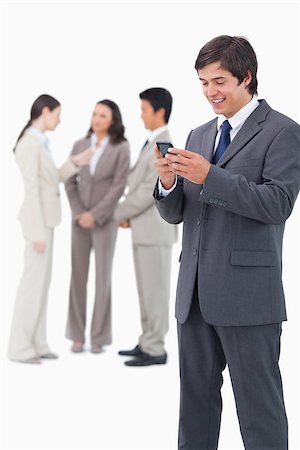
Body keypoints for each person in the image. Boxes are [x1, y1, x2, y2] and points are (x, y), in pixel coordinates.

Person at [154, 35, 300, 449]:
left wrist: (210, 177)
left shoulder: (283, 132)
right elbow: (179, 212)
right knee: (195, 409)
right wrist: (168, 184)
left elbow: (277, 204)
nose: (210, 92)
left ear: (247, 77)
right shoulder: (200, 134)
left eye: (219, 81)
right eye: (203, 83)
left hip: (248, 298)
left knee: (259, 412)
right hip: (195, 294)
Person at [8, 94, 91, 364]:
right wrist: (36, 233)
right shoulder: (29, 144)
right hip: (38, 223)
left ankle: (38, 343)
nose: (59, 119)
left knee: (42, 285)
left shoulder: (40, 142)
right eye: (57, 113)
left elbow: (51, 179)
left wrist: (76, 162)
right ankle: (20, 348)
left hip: (46, 220)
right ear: (45, 111)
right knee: (32, 285)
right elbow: (32, 191)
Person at [115, 87, 177, 366]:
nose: (140, 115)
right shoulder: (151, 141)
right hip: (144, 230)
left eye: (144, 110)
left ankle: (156, 349)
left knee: (155, 291)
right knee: (145, 290)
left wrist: (117, 213)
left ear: (159, 111)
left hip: (155, 231)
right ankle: (147, 340)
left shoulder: (164, 144)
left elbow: (144, 192)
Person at [65, 99, 130, 354]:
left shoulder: (121, 147)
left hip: (105, 221)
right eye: (94, 114)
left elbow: (119, 185)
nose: (97, 119)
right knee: (77, 277)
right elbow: (69, 182)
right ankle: (76, 335)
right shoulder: (80, 145)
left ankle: (99, 337)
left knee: (103, 278)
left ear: (112, 120)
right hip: (79, 220)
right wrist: (80, 212)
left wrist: (96, 214)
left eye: (102, 115)